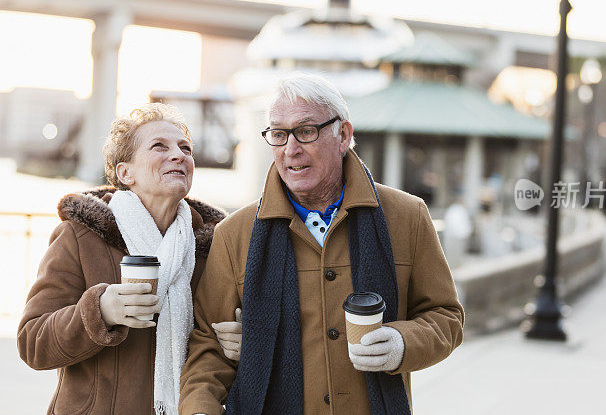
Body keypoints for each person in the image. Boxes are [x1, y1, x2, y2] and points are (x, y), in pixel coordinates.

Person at [179, 73, 465, 415]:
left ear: (343, 135)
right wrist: (199, 409)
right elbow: (208, 345)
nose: (290, 149)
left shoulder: (407, 216)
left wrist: (403, 343)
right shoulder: (233, 234)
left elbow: (446, 316)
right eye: (279, 134)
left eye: (306, 131)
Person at [18, 103, 228, 415]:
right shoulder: (79, 237)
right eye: (160, 146)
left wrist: (240, 344)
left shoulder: (214, 247)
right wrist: (99, 311)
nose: (179, 155)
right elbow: (33, 342)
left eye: (185, 148)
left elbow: (215, 349)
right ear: (125, 172)